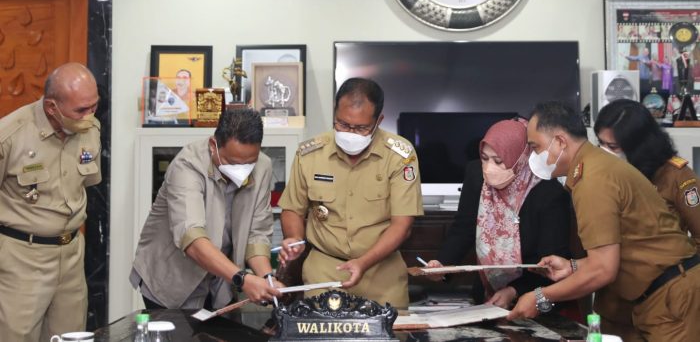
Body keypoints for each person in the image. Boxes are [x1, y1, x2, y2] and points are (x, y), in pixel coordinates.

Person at [508, 101, 700, 342]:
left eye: (535, 147)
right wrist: (573, 266)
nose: (533, 157)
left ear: (560, 142)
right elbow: (624, 247)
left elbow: (603, 269)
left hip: (671, 297)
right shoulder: (595, 167)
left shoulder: (592, 179)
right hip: (651, 297)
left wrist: (540, 296)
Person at [278, 78, 423, 308]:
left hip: (381, 274)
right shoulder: (310, 153)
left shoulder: (400, 155)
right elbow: (292, 209)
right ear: (334, 113)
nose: (350, 133)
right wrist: (295, 239)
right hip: (324, 272)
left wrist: (363, 263)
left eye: (361, 128)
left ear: (378, 121)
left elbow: (402, 226)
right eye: (343, 124)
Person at [131, 108, 282, 309]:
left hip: (221, 281)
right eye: (233, 163)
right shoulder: (187, 165)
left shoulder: (263, 166)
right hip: (171, 280)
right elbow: (192, 237)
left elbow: (257, 234)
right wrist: (243, 279)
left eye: (249, 164)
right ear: (213, 145)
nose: (242, 170)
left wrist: (267, 279)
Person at [0, 62, 101, 342]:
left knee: (72, 336)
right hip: (21, 258)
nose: (89, 115)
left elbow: (86, 183)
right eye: (81, 110)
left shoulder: (91, 129)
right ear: (51, 107)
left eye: (94, 106)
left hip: (71, 255)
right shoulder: (10, 135)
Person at [426, 118, 572, 310]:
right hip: (487, 293)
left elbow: (552, 261)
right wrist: (442, 263)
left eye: (498, 161)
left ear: (520, 158)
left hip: (535, 297)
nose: (488, 168)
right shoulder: (476, 175)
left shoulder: (549, 193)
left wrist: (514, 290)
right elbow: (463, 228)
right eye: (484, 158)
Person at [594, 98, 700, 341]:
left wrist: (682, 286)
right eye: (600, 144)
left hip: (666, 307)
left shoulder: (675, 176)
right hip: (615, 307)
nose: (604, 153)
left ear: (639, 145)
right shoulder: (599, 177)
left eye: (613, 146)